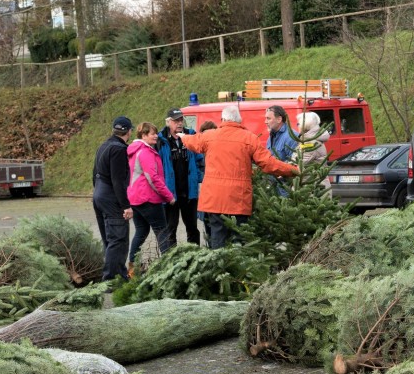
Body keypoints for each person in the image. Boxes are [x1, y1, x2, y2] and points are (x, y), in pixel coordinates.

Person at [181, 105, 299, 249]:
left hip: (214, 198)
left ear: (223, 119)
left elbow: (192, 141)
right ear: (239, 120)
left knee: (217, 237)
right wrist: (294, 170)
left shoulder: (209, 136)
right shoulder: (250, 138)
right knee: (240, 237)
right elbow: (269, 164)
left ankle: (218, 262)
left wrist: (182, 136)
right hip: (238, 198)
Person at [92, 116, 134, 282]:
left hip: (99, 194)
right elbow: (118, 180)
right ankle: (111, 279)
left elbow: (94, 174)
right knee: (118, 239)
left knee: (109, 240)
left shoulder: (103, 146)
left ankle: (119, 275)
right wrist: (126, 205)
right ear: (129, 131)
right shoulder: (119, 150)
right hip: (110, 197)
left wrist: (98, 195)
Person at [127, 122, 175, 266]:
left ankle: (132, 265)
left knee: (141, 231)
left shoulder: (134, 150)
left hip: (135, 198)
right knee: (162, 231)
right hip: (148, 198)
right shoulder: (145, 152)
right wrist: (168, 196)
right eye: (152, 134)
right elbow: (152, 178)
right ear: (144, 135)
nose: (156, 136)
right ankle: (168, 267)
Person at [156, 108, 204, 247]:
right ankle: (173, 258)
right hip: (170, 193)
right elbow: (156, 167)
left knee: (192, 228)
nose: (179, 123)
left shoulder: (191, 135)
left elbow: (200, 160)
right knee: (170, 229)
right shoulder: (160, 140)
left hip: (189, 192)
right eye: (176, 120)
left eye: (181, 120)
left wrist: (197, 178)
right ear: (168, 122)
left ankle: (194, 255)